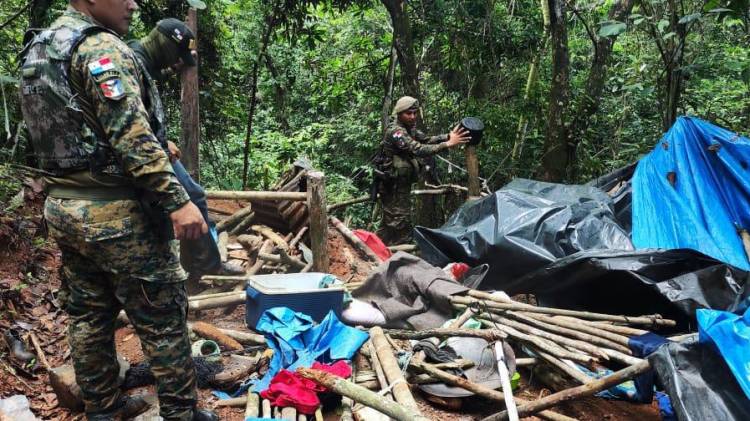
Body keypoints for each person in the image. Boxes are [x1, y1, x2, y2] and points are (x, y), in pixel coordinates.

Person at [18, 0, 216, 419]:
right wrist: (177, 201)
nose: (133, 4)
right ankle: (181, 413)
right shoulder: (99, 49)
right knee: (162, 314)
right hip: (117, 214)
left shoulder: (40, 46)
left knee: (89, 314)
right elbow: (132, 136)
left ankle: (102, 410)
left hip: (64, 207)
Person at [126, 18, 244, 282]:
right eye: (176, 56)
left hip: (154, 145)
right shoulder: (130, 63)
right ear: (163, 45)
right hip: (143, 153)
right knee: (189, 196)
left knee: (194, 195)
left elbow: (140, 115)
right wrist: (155, 144)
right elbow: (125, 125)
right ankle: (202, 267)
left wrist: (161, 139)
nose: (176, 64)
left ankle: (197, 266)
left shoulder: (143, 62)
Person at [374, 96, 470, 245]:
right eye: (408, 113)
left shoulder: (408, 128)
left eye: (415, 113)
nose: (412, 117)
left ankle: (371, 249)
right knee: (399, 220)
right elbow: (417, 148)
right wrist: (447, 144)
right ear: (399, 113)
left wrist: (447, 136)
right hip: (392, 186)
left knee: (390, 222)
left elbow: (425, 140)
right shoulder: (396, 131)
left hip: (400, 184)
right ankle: (400, 254)